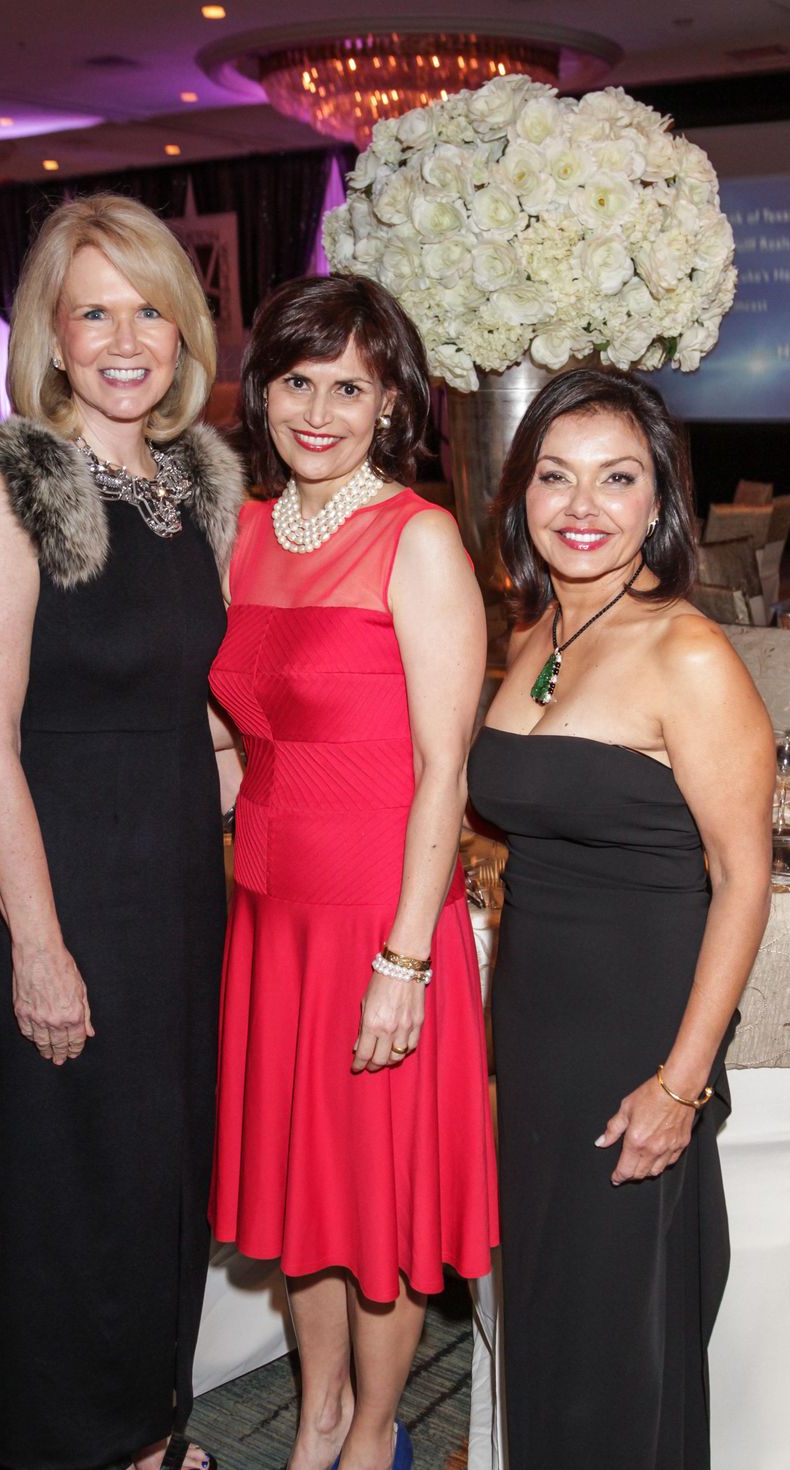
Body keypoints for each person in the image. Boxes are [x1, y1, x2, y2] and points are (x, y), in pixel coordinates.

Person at [0, 194, 244, 1470]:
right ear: (53, 340)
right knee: (75, 1193)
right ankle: (68, 1447)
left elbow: (200, 706)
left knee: (166, 1173)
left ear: (183, 331)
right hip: (67, 887)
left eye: (151, 309)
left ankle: (152, 1431)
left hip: (178, 875)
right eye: (94, 312)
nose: (127, 339)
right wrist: (38, 949)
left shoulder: (189, 485)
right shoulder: (17, 490)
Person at [209, 275, 498, 1470]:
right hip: (268, 916)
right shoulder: (238, 529)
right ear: (261, 391)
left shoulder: (418, 538)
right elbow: (233, 734)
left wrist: (405, 960)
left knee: (372, 1202)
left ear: (388, 404)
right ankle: (317, 1411)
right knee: (302, 1201)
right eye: (295, 382)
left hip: (380, 924)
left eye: (349, 387)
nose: (317, 411)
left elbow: (444, 770)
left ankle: (374, 1432)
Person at [467, 366, 774, 1469]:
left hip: (635, 1043)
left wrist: (679, 1084)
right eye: (554, 477)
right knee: (548, 1326)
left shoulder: (684, 653)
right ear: (520, 493)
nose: (580, 506)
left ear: (660, 503)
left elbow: (743, 879)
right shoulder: (536, 630)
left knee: (616, 1357)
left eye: (615, 479)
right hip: (537, 1035)